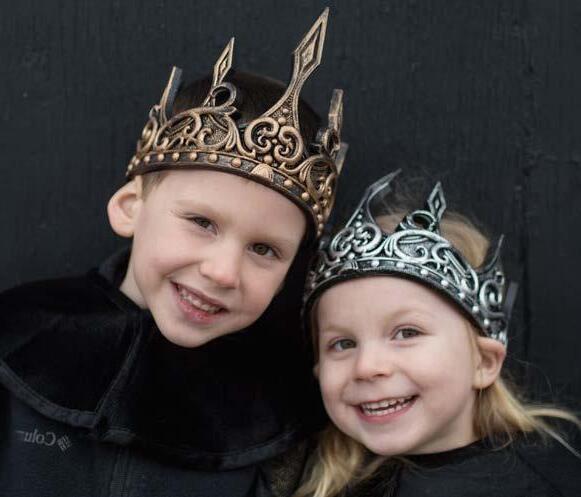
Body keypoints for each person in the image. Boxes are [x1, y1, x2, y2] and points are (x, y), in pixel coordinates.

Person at [0, 10, 347, 497]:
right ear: (130, 208)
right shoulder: (17, 338)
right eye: (202, 223)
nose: (223, 272)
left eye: (264, 249)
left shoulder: (282, 417)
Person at [296, 171, 581, 497]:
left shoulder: (544, 485)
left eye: (406, 333)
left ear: (484, 362)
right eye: (343, 343)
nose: (367, 366)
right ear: (318, 369)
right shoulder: (314, 480)